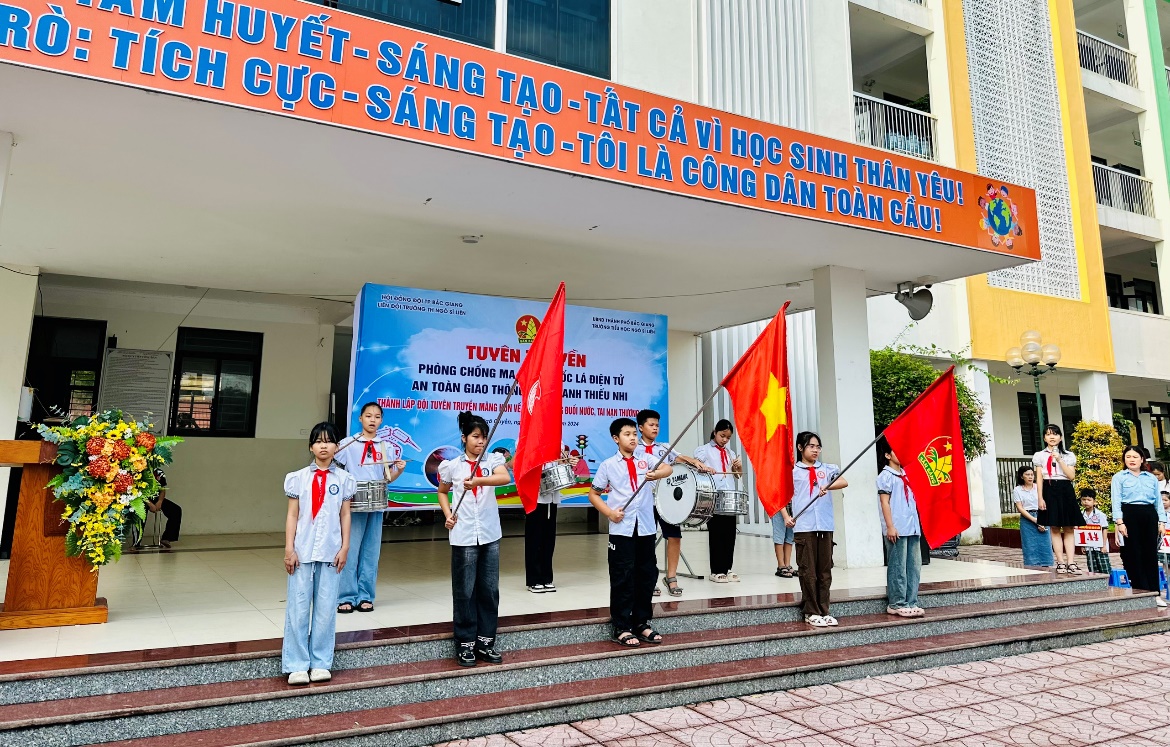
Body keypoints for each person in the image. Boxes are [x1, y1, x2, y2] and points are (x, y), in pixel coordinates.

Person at [589, 417, 673, 648]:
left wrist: (658, 474)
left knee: (647, 575)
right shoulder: (608, 465)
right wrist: (609, 513)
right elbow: (594, 494)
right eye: (627, 434)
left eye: (635, 434)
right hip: (622, 529)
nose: (633, 438)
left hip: (645, 527)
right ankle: (621, 626)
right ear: (616, 439)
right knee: (623, 576)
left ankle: (641, 622)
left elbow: (668, 467)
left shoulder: (646, 459)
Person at [282, 422, 355, 686]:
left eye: (329, 441)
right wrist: (289, 548)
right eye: (318, 441)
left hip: (331, 552)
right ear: (311, 446)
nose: (324, 446)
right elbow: (293, 515)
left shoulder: (345, 479)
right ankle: (296, 664)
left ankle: (321, 662)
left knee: (325, 610)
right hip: (302, 551)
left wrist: (345, 547)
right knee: (298, 608)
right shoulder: (298, 478)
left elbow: (345, 515)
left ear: (337, 447)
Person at [437, 411, 512, 666]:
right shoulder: (452, 466)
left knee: (489, 590)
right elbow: (442, 492)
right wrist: (448, 514)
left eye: (484, 437)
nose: (481, 441)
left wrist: (478, 480)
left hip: (490, 533)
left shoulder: (492, 460)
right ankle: (465, 643)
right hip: (464, 534)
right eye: (475, 437)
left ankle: (486, 642)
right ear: (464, 438)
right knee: (465, 591)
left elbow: (504, 477)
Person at [335, 402, 406, 614]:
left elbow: (387, 478)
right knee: (350, 549)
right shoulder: (348, 444)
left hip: (376, 504)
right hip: (353, 504)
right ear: (360, 419)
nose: (372, 420)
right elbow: (334, 469)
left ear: (381, 420)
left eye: (376, 416)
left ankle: (365, 595)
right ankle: (346, 596)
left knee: (371, 552)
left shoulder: (386, 446)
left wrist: (399, 470)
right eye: (368, 416)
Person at [635, 409, 712, 597]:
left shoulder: (663, 448)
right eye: (651, 425)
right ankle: (649, 578)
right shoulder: (634, 448)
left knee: (674, 536)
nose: (655, 428)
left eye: (657, 425)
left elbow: (679, 458)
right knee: (646, 540)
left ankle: (671, 577)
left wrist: (696, 463)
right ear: (641, 427)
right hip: (644, 501)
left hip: (666, 502)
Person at [786, 431, 848, 628]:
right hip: (804, 526)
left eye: (818, 447)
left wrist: (827, 486)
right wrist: (786, 517)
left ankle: (824, 610)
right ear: (800, 447)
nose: (815, 450)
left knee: (824, 571)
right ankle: (811, 611)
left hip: (825, 525)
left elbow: (843, 481)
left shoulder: (827, 469)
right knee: (808, 570)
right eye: (811, 446)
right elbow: (779, 495)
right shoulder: (793, 471)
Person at [1112, 445, 1168, 606]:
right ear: (1124, 459)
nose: (1131, 460)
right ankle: (1141, 593)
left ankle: (1155, 593)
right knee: (1133, 554)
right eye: (1128, 457)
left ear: (1142, 459)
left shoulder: (1151, 478)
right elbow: (1116, 500)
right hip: (1129, 515)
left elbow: (1158, 502)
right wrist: (1120, 522)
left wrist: (1161, 521)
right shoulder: (1119, 477)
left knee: (1150, 555)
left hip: (1149, 514)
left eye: (1135, 457)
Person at [876, 439, 923, 618]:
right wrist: (890, 526)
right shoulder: (885, 476)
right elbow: (884, 502)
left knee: (914, 566)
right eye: (896, 451)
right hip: (897, 528)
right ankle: (896, 602)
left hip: (912, 527)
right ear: (887, 455)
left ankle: (911, 601)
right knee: (898, 566)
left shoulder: (907, 475)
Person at [694, 419, 743, 583]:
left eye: (728, 437)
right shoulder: (704, 450)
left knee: (730, 533)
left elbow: (738, 475)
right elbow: (697, 468)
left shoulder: (730, 453)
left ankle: (727, 568)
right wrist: (704, 468)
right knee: (716, 533)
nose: (724, 440)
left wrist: (738, 466)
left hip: (728, 497)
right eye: (722, 435)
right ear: (715, 432)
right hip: (713, 496)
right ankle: (716, 570)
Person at [525, 445, 579, 593]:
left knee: (549, 540)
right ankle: (534, 579)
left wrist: (567, 462)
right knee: (534, 539)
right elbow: (522, 464)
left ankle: (546, 577)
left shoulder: (558, 442)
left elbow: (561, 463)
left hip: (553, 495)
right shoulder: (528, 439)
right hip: (535, 497)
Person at [1034, 424, 1081, 575]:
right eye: (1048, 434)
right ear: (1044, 438)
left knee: (1069, 527)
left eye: (1055, 434)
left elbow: (1071, 476)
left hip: (1065, 489)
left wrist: (1060, 459)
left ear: (1060, 437)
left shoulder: (1068, 455)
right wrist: (1040, 497)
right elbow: (1039, 478)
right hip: (1049, 489)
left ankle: (1071, 562)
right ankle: (1060, 562)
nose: (1052, 437)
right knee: (1054, 527)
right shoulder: (1039, 456)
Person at [1013, 465, 1053, 567]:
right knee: (1029, 545)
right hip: (1027, 518)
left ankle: (1046, 566)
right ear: (1021, 476)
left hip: (1042, 514)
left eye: (1032, 474)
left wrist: (1041, 520)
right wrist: (1034, 520)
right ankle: (1032, 567)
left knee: (1045, 543)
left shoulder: (1039, 487)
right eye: (1027, 474)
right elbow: (1020, 508)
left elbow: (1046, 503)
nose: (1030, 477)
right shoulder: (1017, 490)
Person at [143, 468, 182, 548]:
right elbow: (137, 491)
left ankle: (167, 538)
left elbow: (162, 489)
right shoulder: (138, 471)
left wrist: (160, 501)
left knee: (176, 510)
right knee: (139, 513)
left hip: (155, 498)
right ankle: (136, 542)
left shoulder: (159, 472)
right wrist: (150, 504)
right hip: (140, 499)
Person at [1078, 488, 1110, 575]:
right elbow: (1080, 531)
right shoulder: (1081, 515)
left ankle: (1108, 582)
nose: (1086, 502)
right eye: (1084, 499)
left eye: (1089, 500)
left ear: (1094, 501)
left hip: (1100, 546)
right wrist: (1082, 545)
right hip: (1089, 546)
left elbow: (1105, 529)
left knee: (1104, 567)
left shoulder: (1100, 515)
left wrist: (1103, 545)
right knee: (1092, 567)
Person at [772, 504, 796, 578]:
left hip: (792, 506)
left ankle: (787, 565)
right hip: (778, 506)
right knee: (779, 535)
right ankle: (781, 566)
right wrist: (785, 516)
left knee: (790, 536)